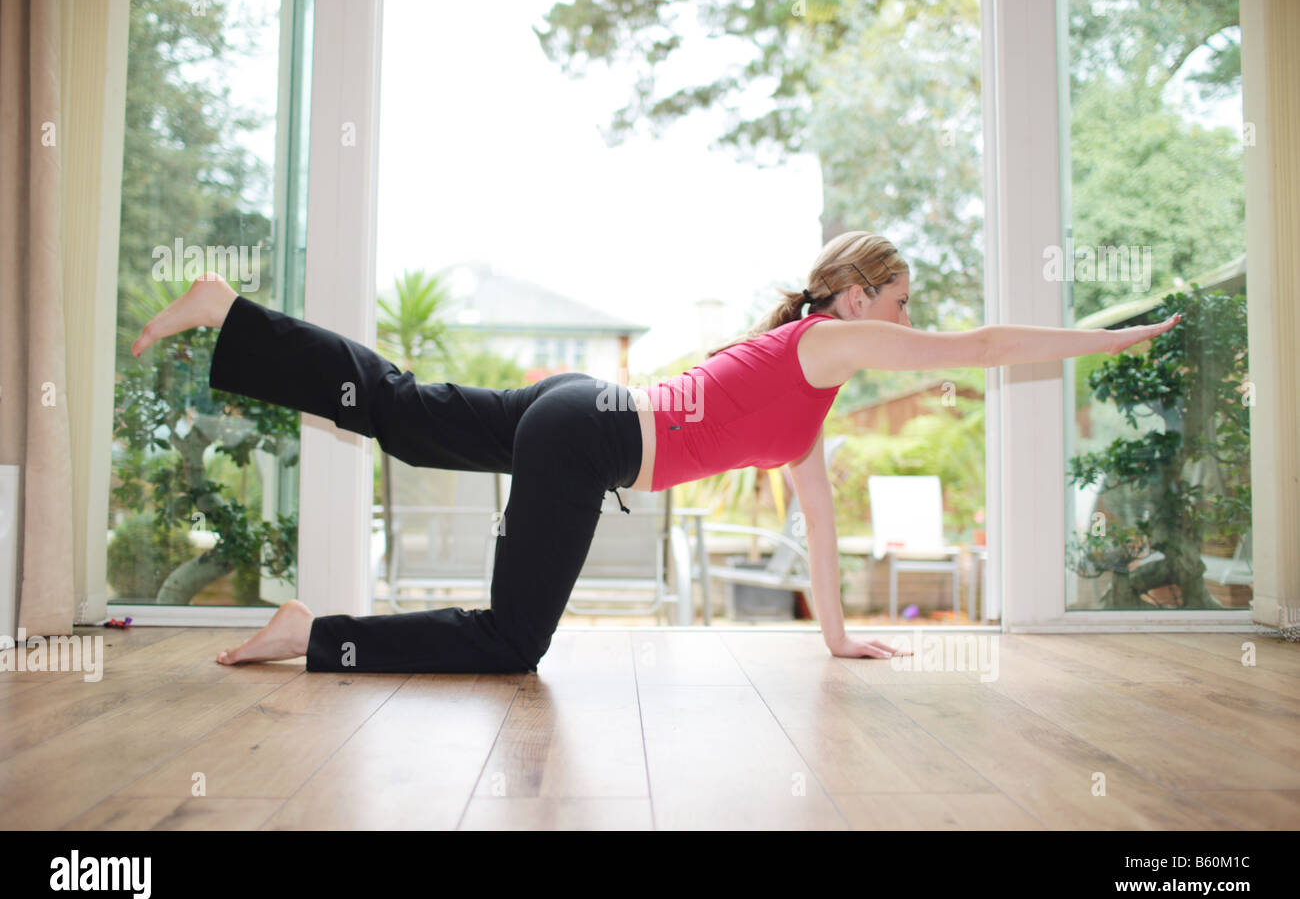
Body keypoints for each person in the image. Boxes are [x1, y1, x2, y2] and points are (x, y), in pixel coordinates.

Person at [131, 231, 1180, 673]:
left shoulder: (804, 401)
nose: (910, 321)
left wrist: (839, 641)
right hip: (589, 432)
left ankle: (235, 317)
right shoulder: (825, 339)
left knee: (400, 406)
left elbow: (820, 526)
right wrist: (1110, 336)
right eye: (901, 302)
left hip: (582, 415)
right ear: (858, 295)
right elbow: (989, 346)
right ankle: (317, 632)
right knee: (510, 644)